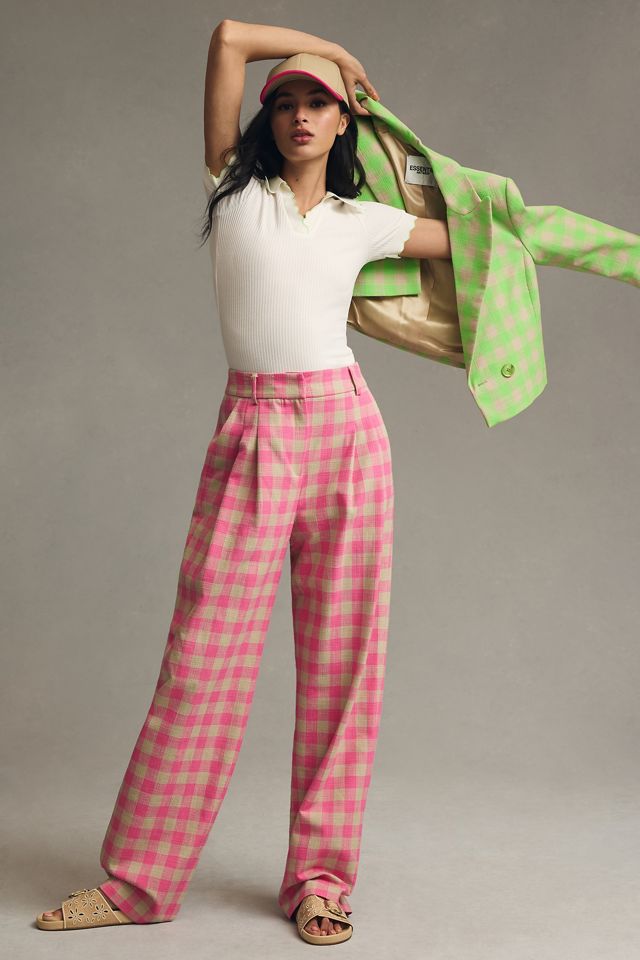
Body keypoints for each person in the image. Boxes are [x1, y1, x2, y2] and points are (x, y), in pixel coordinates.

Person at [36, 19, 451, 944]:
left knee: (344, 666)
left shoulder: (363, 222)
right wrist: (336, 52)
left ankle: (320, 882)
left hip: (347, 432)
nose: (302, 114)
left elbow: (481, 233)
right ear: (270, 120)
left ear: (344, 123)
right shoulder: (234, 189)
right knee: (202, 662)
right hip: (254, 431)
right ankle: (138, 882)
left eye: (320, 103)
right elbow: (228, 38)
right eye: (288, 101)